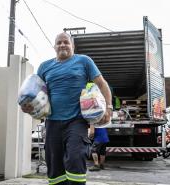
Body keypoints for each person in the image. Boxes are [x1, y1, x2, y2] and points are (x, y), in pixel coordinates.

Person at [21, 32, 112, 185]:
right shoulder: (44, 66)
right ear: (54, 46)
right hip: (52, 122)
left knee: (76, 158)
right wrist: (27, 106)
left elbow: (102, 84)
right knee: (55, 166)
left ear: (72, 46)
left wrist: (109, 108)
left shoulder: (84, 61)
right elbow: (36, 92)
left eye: (66, 42)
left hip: (76, 121)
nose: (62, 45)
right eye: (59, 43)